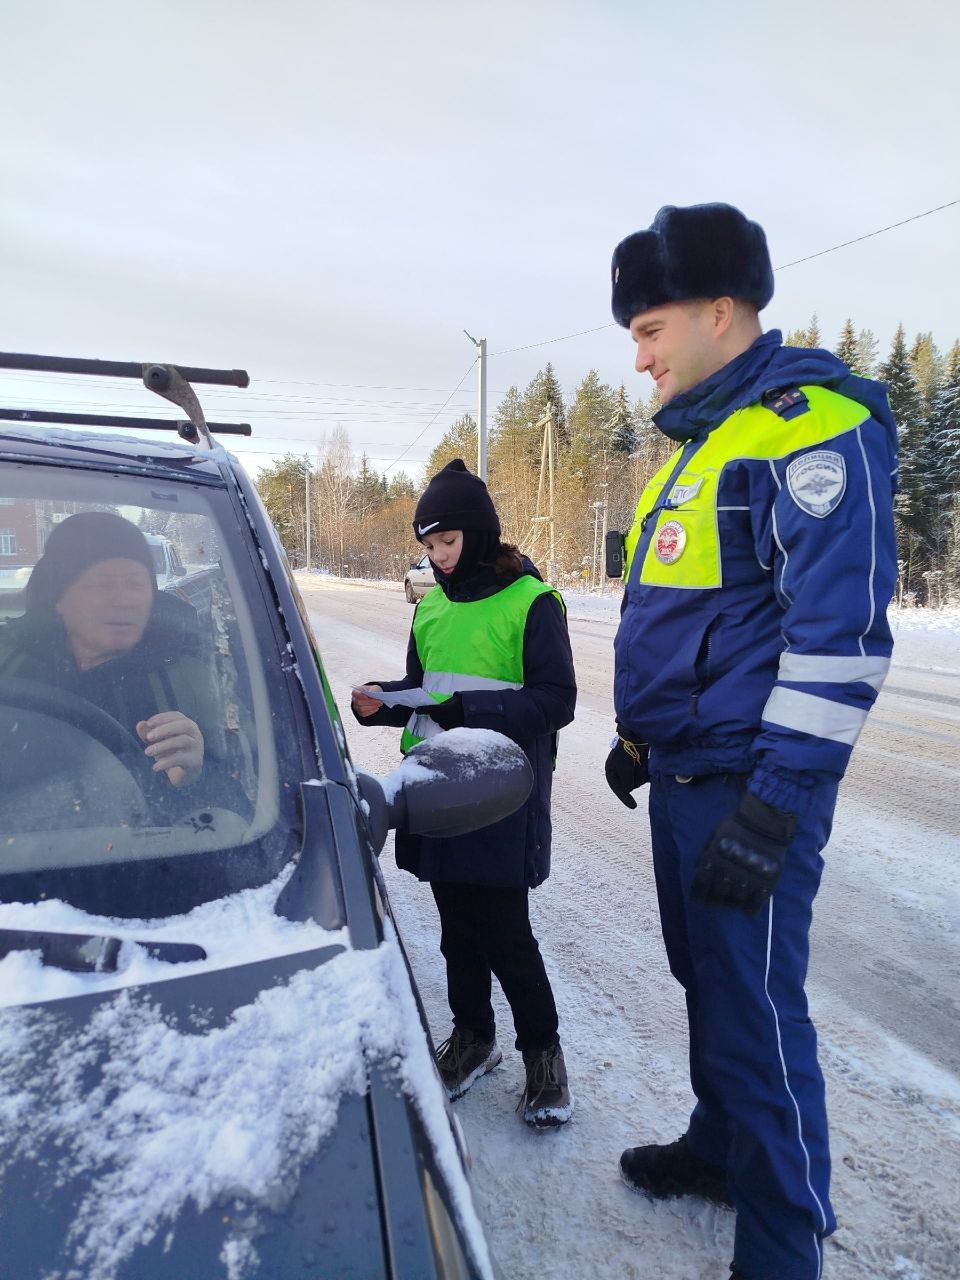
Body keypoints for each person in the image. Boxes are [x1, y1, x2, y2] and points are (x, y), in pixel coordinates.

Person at [604, 204, 897, 1280]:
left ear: (720, 312)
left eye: (649, 330)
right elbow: (701, 622)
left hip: (750, 786)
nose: (638, 359)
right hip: (689, 775)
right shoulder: (708, 438)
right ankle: (722, 1147)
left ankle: (784, 1242)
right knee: (711, 985)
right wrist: (641, 742)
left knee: (758, 1012)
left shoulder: (808, 426)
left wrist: (773, 806)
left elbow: (840, 641)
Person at [352, 459, 577, 1127]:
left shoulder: (532, 602)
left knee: (507, 931)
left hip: (504, 789)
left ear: (479, 534)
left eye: (447, 543)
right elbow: (429, 693)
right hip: (439, 788)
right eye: (427, 548)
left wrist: (464, 709)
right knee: (455, 928)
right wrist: (385, 704)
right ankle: (473, 1039)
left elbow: (556, 699)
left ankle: (544, 1057)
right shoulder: (432, 609)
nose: (439, 559)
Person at [0, 511, 227, 813]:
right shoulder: (8, 660)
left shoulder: (187, 679)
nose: (124, 599)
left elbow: (244, 798)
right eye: (102, 584)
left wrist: (196, 773)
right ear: (60, 598)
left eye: (135, 583)